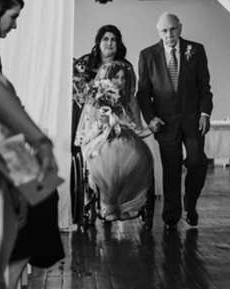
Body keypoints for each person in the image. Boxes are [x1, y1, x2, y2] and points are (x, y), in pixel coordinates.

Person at [0, 0, 65, 289]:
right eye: (13, 17)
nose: (15, 25)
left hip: (0, 140)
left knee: (43, 193)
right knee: (32, 195)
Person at [136, 12, 213, 231]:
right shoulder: (147, 55)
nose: (169, 34)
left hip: (193, 120)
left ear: (180, 27)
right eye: (164, 31)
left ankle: (190, 204)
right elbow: (143, 93)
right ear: (158, 31)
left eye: (172, 29)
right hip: (165, 124)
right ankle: (171, 217)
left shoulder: (196, 50)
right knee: (171, 169)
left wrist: (204, 114)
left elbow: (204, 87)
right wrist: (151, 118)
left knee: (197, 162)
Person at [76, 61, 154, 222]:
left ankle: (125, 204)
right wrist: (102, 123)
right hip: (100, 142)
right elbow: (87, 134)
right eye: (116, 77)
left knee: (133, 157)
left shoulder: (131, 102)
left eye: (123, 78)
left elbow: (136, 129)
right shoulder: (95, 101)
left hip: (127, 142)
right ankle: (108, 205)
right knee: (108, 159)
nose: (120, 81)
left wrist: (150, 128)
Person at [72, 24, 130, 225]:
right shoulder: (85, 63)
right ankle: (90, 199)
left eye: (113, 39)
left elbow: (130, 94)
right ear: (98, 42)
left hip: (117, 116)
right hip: (89, 116)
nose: (109, 43)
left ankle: (114, 202)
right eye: (105, 39)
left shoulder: (125, 66)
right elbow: (75, 88)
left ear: (118, 43)